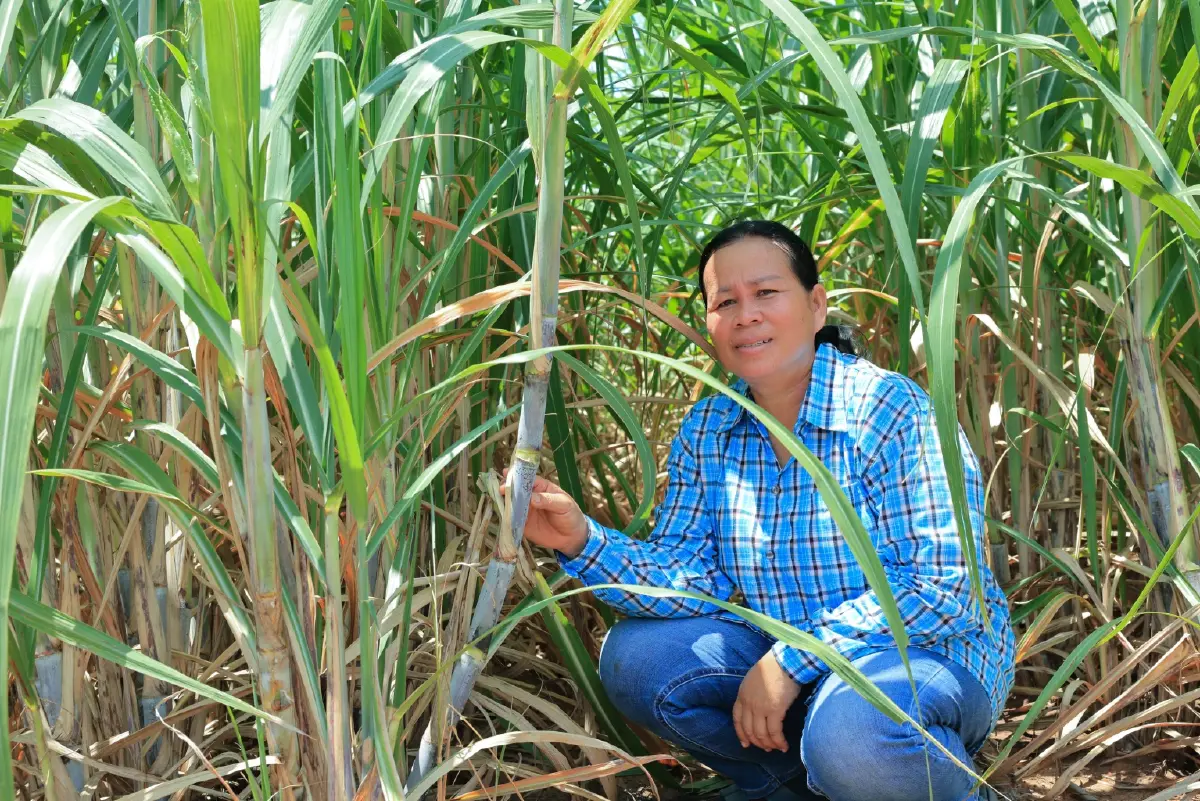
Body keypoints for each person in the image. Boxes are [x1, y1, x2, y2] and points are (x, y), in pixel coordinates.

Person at [512, 220, 1015, 801]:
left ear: (817, 305)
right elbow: (688, 577)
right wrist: (580, 539)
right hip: (795, 668)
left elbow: (943, 588)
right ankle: (798, 788)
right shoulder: (711, 429)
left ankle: (939, 786)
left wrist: (793, 661)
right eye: (725, 301)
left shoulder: (889, 410)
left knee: (856, 735)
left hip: (926, 660)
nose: (745, 314)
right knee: (639, 659)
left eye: (766, 293)